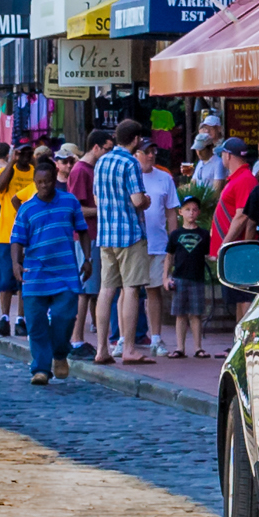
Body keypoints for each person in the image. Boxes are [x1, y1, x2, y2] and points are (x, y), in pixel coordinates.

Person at [14, 157, 89, 388]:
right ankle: (40, 369)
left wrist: (88, 259)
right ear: (34, 182)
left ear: (54, 179)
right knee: (36, 323)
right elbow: (16, 239)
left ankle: (60, 353)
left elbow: (83, 230)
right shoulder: (27, 209)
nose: (43, 186)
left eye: (47, 181)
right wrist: (16, 263)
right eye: (39, 182)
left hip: (65, 272)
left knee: (64, 318)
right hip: (35, 274)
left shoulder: (69, 201)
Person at [91, 131, 152, 361]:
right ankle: (128, 348)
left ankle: (101, 349)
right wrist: (146, 200)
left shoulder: (101, 161)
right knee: (131, 289)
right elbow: (137, 200)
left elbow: (96, 198)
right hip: (129, 234)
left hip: (106, 234)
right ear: (135, 139)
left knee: (106, 290)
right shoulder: (130, 163)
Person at [127, 136, 182, 361]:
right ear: (136, 155)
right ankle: (124, 339)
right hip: (133, 241)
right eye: (146, 152)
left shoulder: (164, 178)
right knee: (128, 290)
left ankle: (156, 338)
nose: (150, 156)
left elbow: (171, 213)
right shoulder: (130, 176)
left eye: (153, 151)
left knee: (154, 290)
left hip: (158, 242)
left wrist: (174, 243)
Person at [164, 180, 215, 361]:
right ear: (180, 212)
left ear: (198, 212)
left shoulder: (203, 234)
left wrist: (216, 259)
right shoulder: (176, 235)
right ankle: (180, 347)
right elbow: (169, 256)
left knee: (196, 314)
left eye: (194, 210)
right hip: (179, 277)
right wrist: (165, 277)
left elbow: (209, 254)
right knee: (180, 314)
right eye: (187, 210)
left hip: (197, 277)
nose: (191, 213)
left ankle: (198, 347)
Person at [0, 146, 35, 341]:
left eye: (28, 153)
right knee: (6, 279)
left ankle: (20, 319)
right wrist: (12, 163)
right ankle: (4, 317)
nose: (24, 156)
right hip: (7, 234)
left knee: (25, 279)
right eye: (20, 153)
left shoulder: (35, 173)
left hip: (31, 234)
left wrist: (34, 161)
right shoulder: (4, 172)